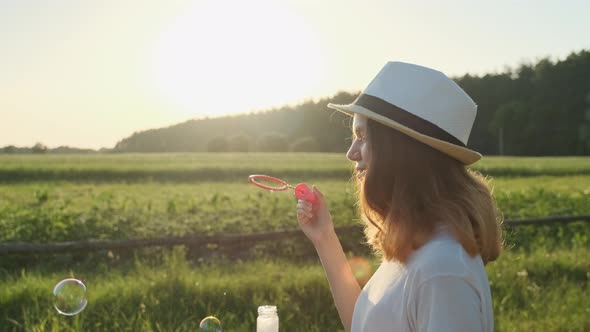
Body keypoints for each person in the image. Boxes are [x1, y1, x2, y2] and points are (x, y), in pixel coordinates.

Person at [296, 61, 503, 332]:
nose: (352, 153)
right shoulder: (420, 247)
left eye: (362, 136)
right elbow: (365, 325)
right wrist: (324, 238)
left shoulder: (442, 271)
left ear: (401, 152)